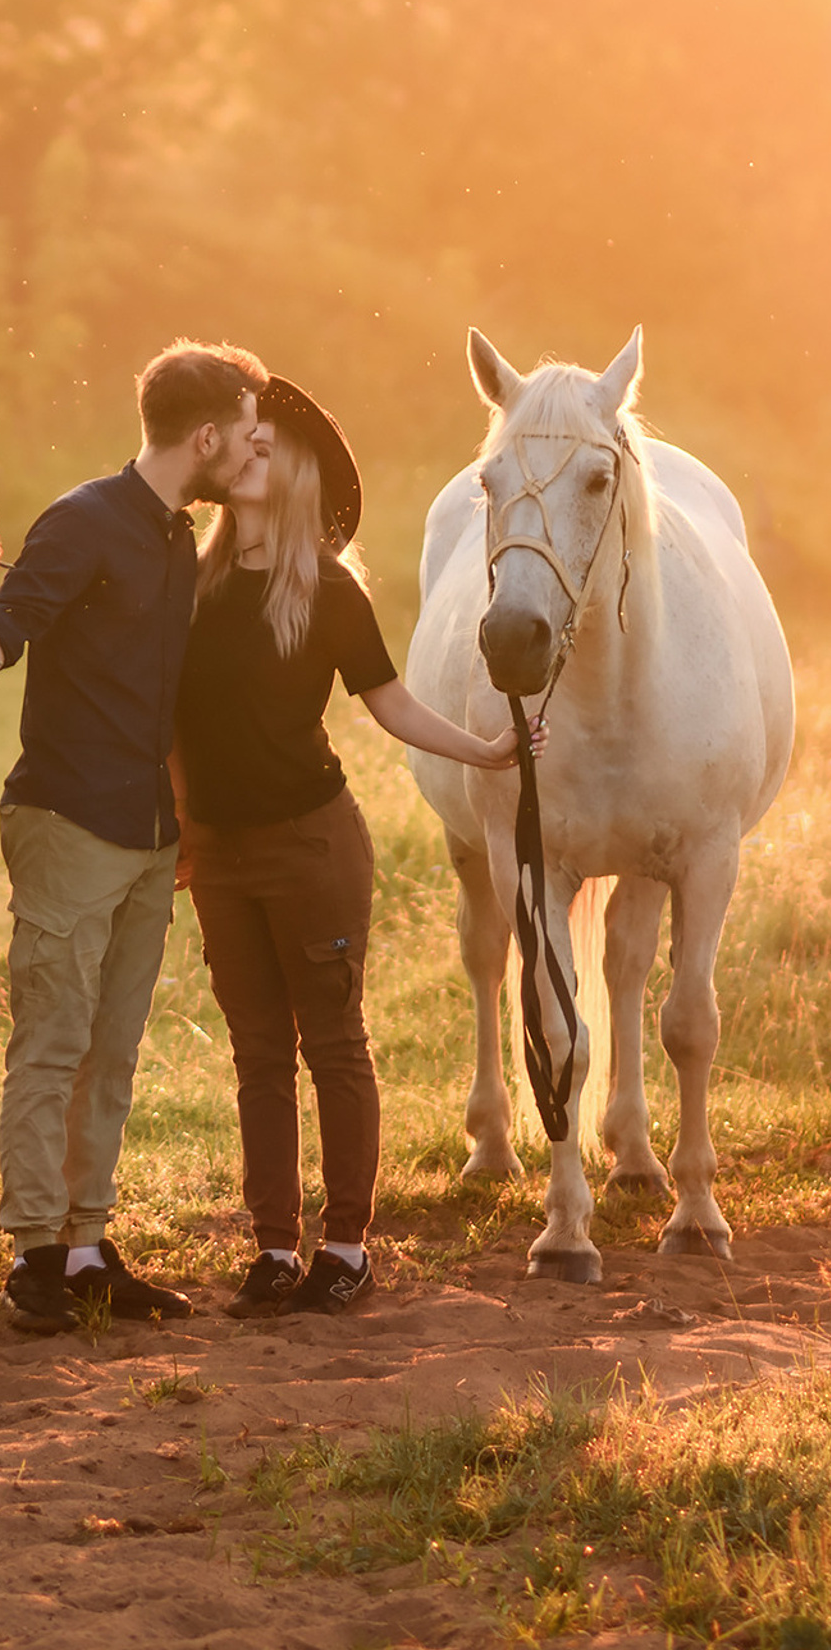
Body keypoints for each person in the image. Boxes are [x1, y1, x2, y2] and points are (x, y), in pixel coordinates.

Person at [173, 375, 537, 1319]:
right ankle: (272, 1248)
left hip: (311, 846)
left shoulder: (328, 592)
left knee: (331, 1044)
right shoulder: (190, 578)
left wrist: (489, 748)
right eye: (243, 444)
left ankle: (345, 1246)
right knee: (257, 1054)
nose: (248, 454)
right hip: (218, 850)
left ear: (292, 473)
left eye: (265, 448)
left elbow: (394, 705)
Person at [0, 339, 268, 1333]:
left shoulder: (179, 538)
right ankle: (32, 1254)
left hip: (145, 833)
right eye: (247, 434)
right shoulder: (83, 520)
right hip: (65, 820)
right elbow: (8, 621)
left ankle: (89, 1245)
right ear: (207, 433)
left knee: (112, 1051)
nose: (251, 452)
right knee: (51, 1047)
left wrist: (179, 822)